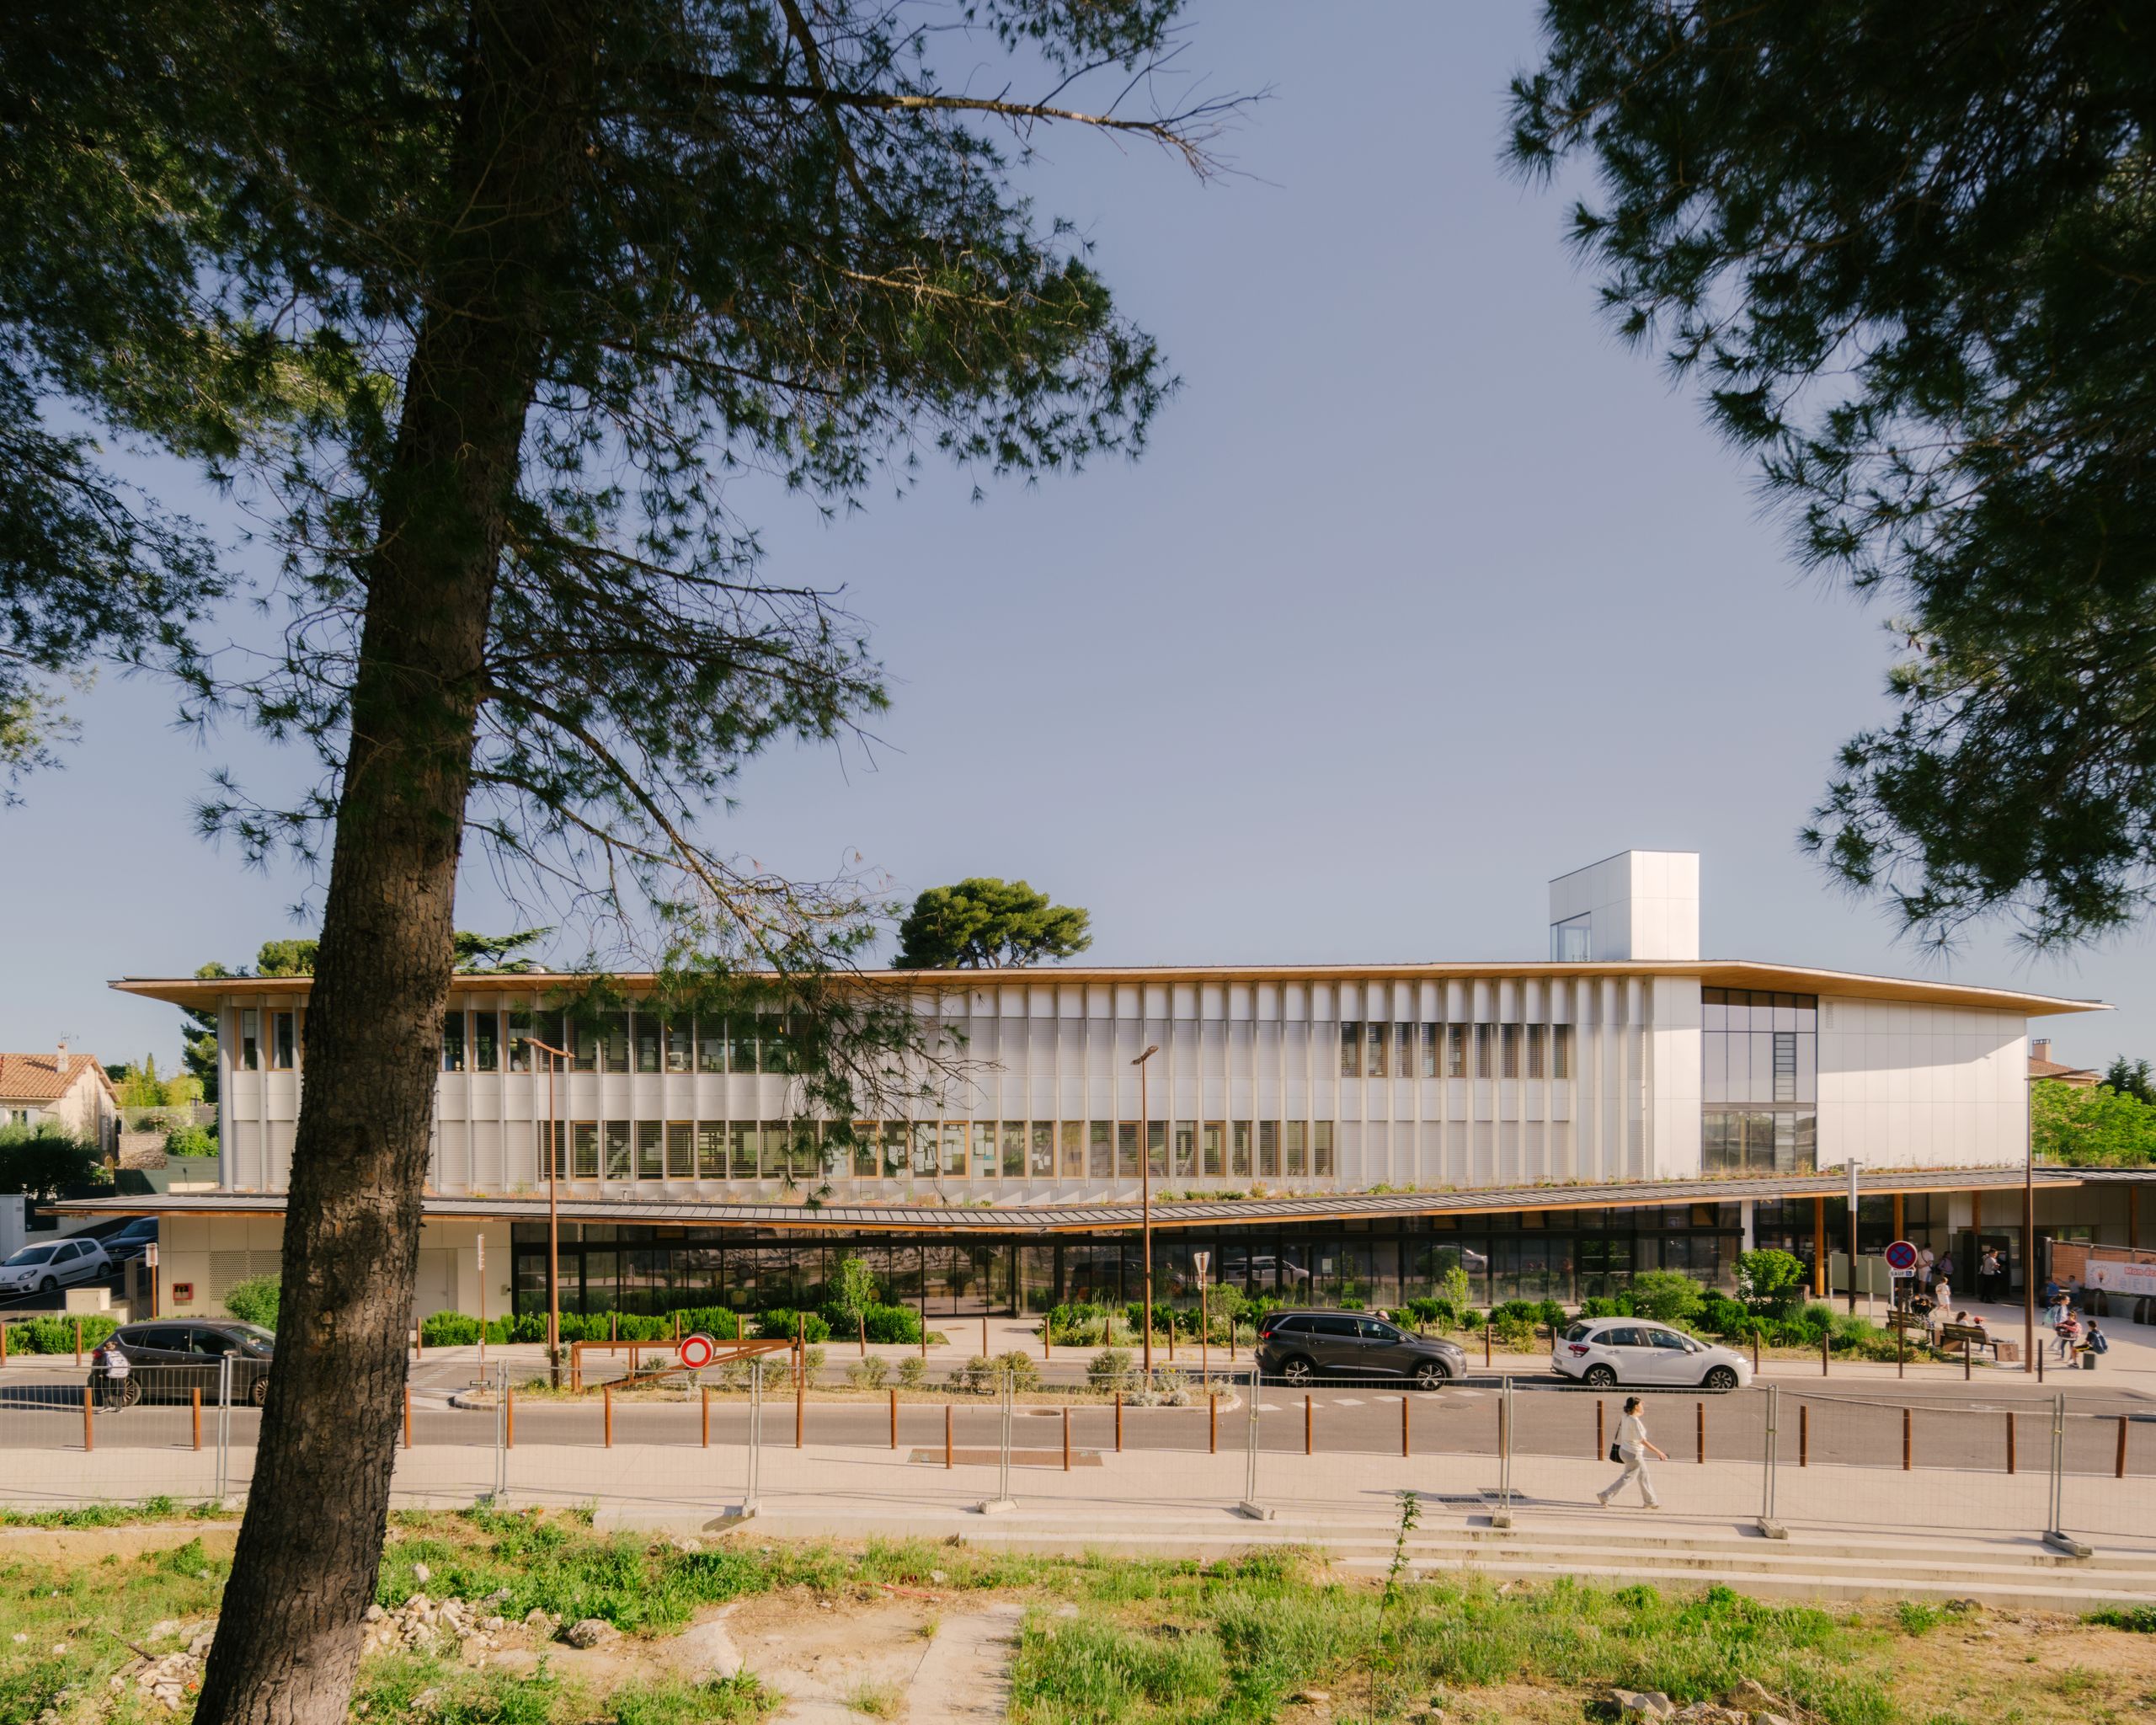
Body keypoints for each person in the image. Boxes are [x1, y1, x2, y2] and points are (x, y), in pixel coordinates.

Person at [1596, 1395, 1666, 1510]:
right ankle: (1605, 1496)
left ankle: (1650, 1502)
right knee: (1628, 1478)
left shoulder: (1626, 1416)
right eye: (1640, 1405)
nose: (1643, 1407)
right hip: (1634, 1454)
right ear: (1636, 1407)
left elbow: (1633, 1409)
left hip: (1624, 1450)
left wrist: (1639, 1404)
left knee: (1644, 1477)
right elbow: (1643, 1440)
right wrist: (1659, 1452)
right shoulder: (1635, 1422)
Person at [92, 1338, 131, 1410]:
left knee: (106, 1391)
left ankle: (106, 1406)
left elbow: (102, 1364)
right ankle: (119, 1407)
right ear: (114, 1346)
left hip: (108, 1375)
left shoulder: (105, 1354)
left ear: (105, 1348)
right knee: (119, 1391)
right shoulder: (119, 1353)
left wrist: (100, 1373)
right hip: (120, 1375)